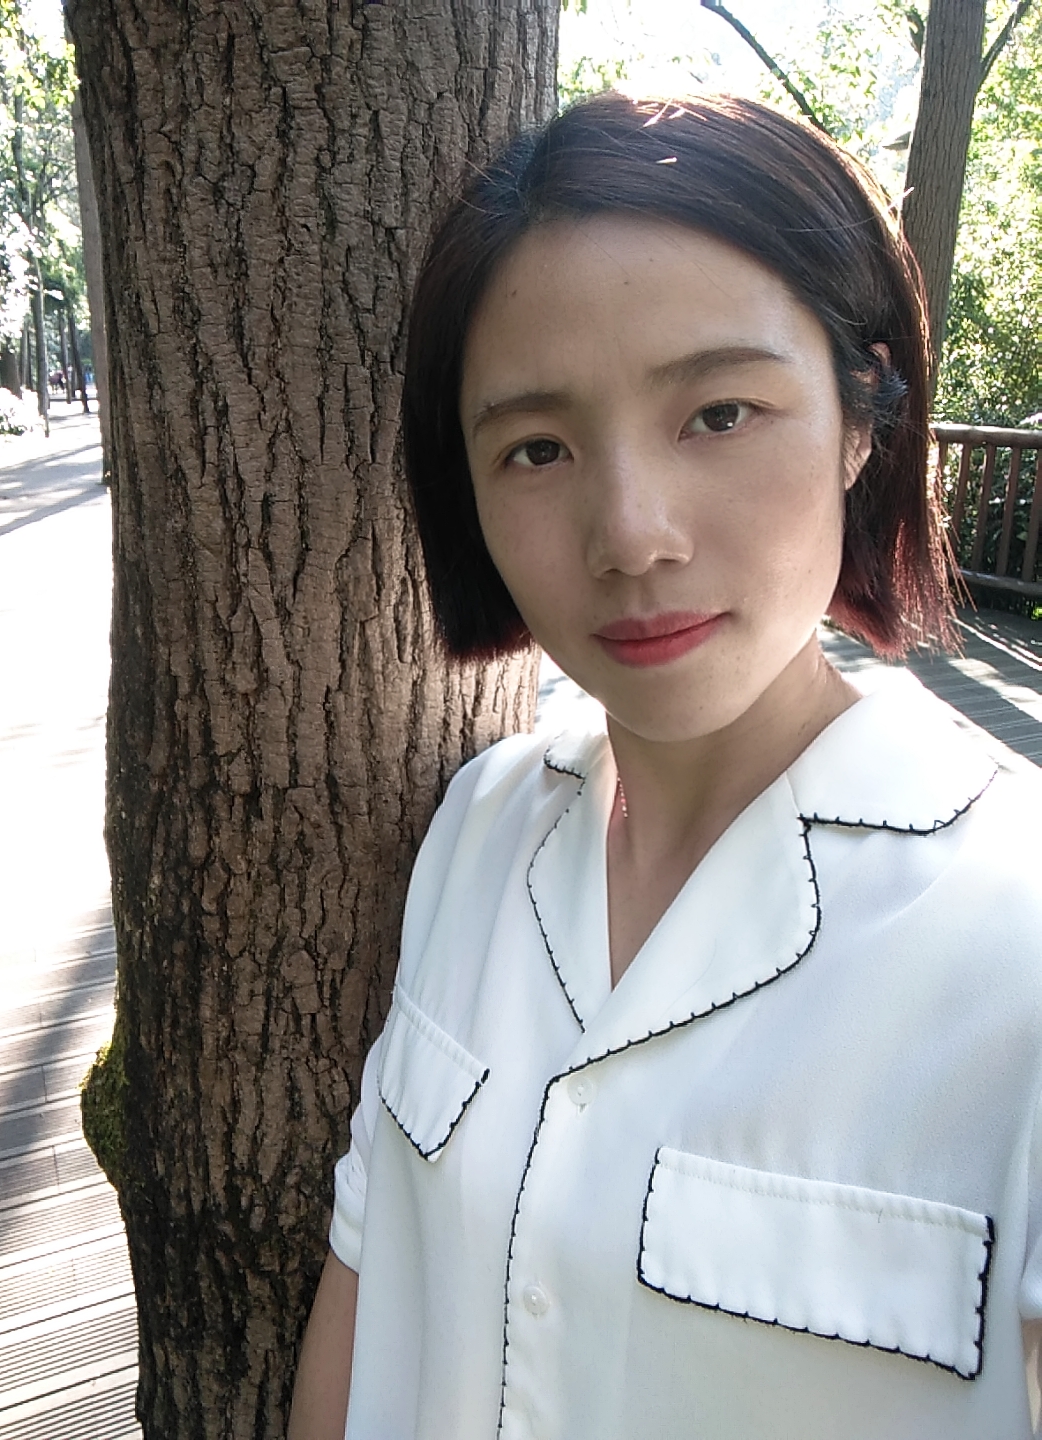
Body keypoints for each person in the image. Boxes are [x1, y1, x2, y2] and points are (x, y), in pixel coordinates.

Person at [288, 92, 1042, 1440]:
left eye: (719, 413)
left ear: (864, 418)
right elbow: (370, 1270)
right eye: (537, 449)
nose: (631, 535)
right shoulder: (480, 826)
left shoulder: (1015, 937)